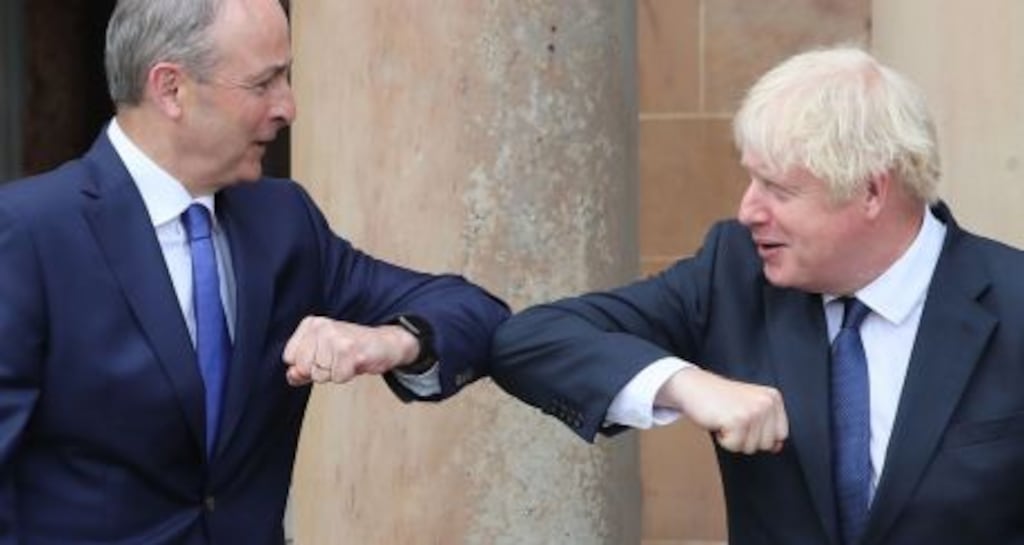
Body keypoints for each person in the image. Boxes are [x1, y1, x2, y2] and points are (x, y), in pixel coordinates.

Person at [0, 0, 508, 543]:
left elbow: (478, 314)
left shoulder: (284, 223)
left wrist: (394, 341)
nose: (288, 107)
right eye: (264, 83)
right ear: (171, 89)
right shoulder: (28, 233)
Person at [491, 45, 1024, 545]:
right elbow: (528, 341)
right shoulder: (733, 272)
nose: (749, 211)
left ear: (871, 191)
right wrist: (686, 383)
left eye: (780, 190)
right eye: (751, 181)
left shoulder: (1012, 299)